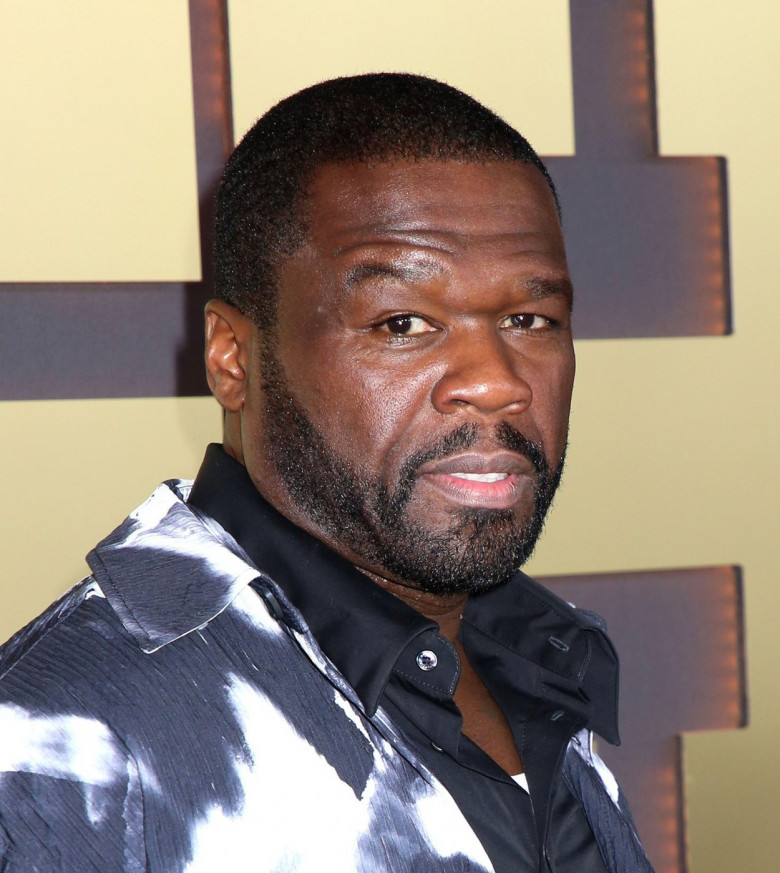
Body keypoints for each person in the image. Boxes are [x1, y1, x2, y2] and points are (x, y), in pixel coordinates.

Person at [0, 74, 654, 873]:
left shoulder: (541, 655)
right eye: (402, 322)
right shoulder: (59, 743)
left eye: (530, 319)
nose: (496, 379)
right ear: (232, 359)